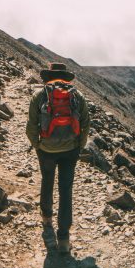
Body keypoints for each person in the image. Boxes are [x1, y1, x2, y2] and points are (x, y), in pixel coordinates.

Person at [26, 62, 90, 254]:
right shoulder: (77, 96)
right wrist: (79, 146)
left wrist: (38, 145)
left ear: (48, 76)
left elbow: (31, 127)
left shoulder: (39, 95)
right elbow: (85, 124)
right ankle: (63, 238)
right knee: (66, 189)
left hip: (46, 149)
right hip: (70, 149)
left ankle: (46, 218)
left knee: (47, 180)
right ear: (65, 77)